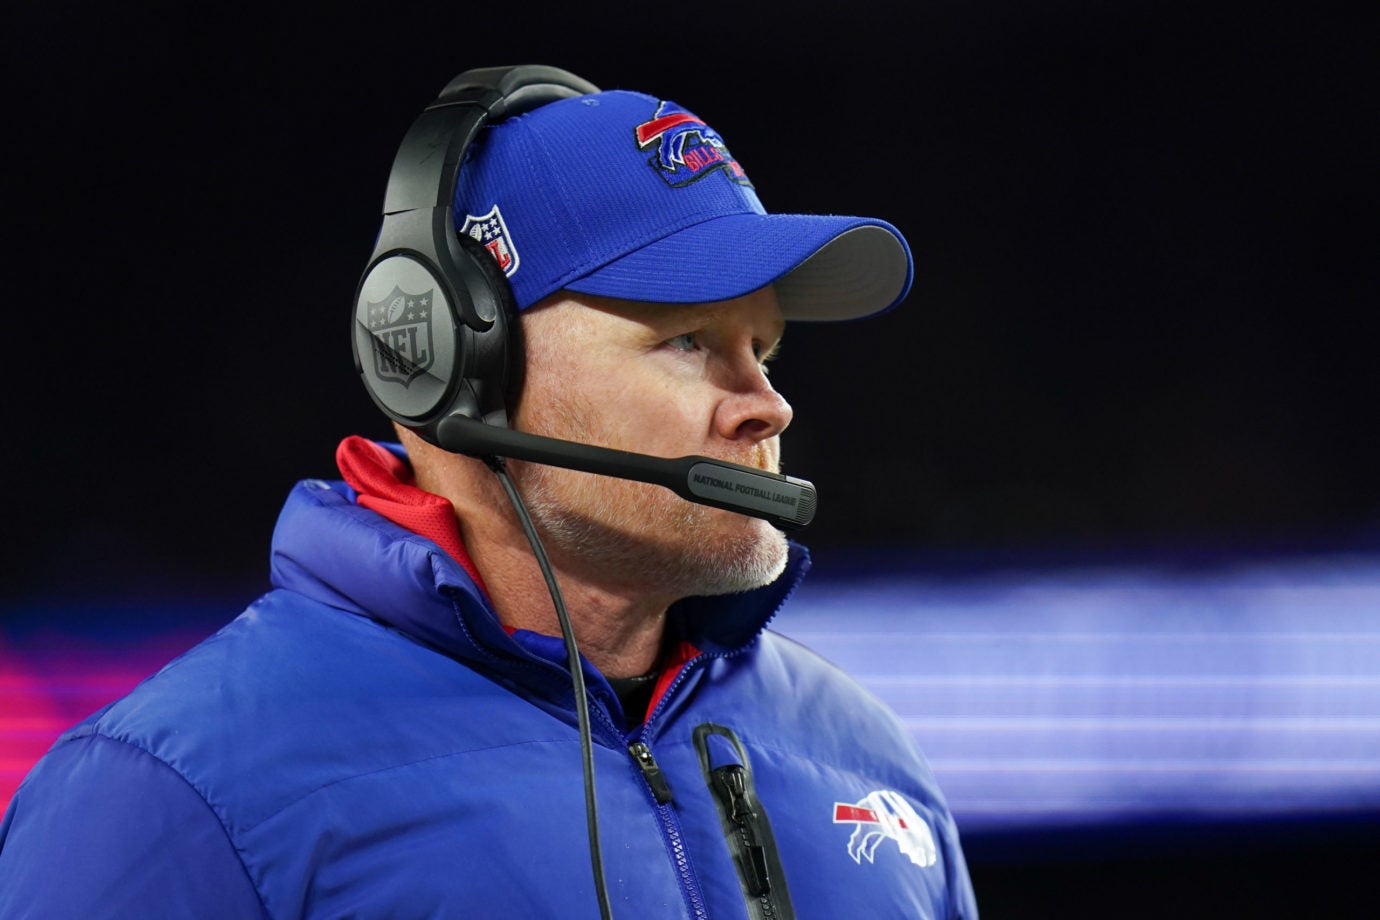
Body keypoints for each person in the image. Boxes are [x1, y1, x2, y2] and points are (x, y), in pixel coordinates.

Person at [0, 65, 978, 918]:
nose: (766, 404)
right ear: (448, 361)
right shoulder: (172, 795)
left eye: (760, 346)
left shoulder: (865, 754)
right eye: (686, 339)